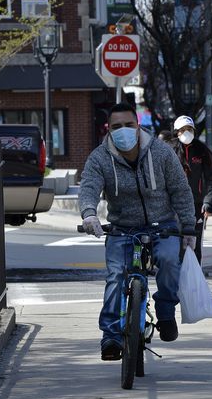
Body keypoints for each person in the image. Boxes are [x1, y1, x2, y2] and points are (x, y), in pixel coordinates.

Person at [79, 103, 197, 361]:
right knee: (116, 276)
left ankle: (166, 313)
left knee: (168, 261)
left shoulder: (161, 152)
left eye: (128, 125)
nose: (123, 131)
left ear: (138, 125)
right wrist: (89, 214)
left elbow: (181, 190)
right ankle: (110, 337)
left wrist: (188, 228)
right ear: (109, 129)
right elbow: (88, 187)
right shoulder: (100, 157)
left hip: (162, 224)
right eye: (116, 126)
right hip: (122, 227)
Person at [170, 115, 212, 264]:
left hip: (196, 204)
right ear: (177, 132)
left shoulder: (202, 150)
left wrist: (208, 202)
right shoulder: (168, 149)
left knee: (194, 242)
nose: (186, 132)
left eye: (189, 129)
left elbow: (210, 178)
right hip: (172, 204)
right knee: (173, 240)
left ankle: (194, 274)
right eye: (183, 130)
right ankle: (174, 275)